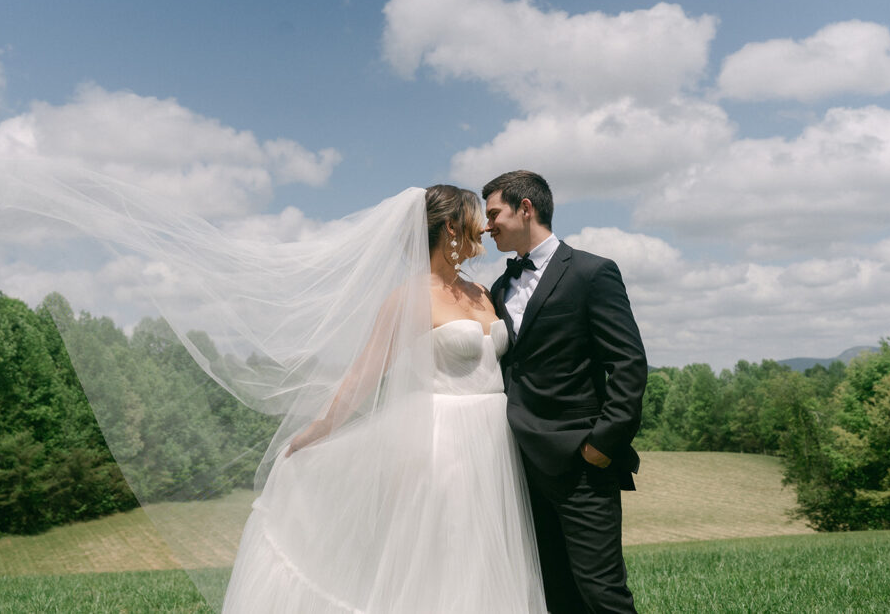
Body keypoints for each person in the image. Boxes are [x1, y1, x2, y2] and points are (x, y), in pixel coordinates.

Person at [221, 184, 547, 612]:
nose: (485, 228)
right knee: (447, 552)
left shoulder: (482, 292)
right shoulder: (407, 298)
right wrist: (320, 428)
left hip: (495, 441)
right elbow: (363, 375)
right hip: (443, 442)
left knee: (490, 555)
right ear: (451, 227)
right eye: (475, 219)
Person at [483, 170, 647, 613]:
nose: (486, 225)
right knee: (555, 591)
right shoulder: (499, 288)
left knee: (601, 591)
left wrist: (600, 445)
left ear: (526, 208)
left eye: (493, 212)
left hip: (581, 464)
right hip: (521, 466)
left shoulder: (592, 273)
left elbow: (628, 365)